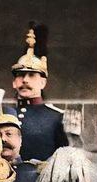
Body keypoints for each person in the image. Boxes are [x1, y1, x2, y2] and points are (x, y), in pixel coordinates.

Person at [5, 22, 67, 163]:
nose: (25, 80)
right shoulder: (4, 115)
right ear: (14, 82)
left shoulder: (56, 117)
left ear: (43, 83)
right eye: (21, 75)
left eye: (32, 75)